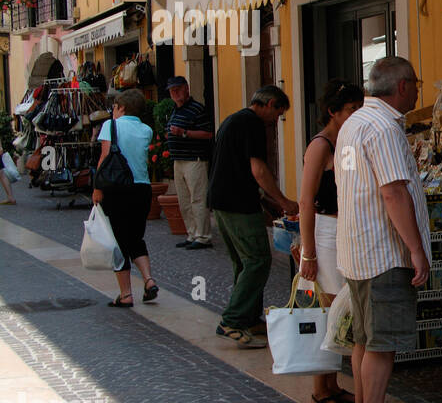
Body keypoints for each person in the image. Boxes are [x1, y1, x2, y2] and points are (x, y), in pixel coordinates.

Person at [337, 57, 429, 403]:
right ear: (403, 86)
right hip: (382, 253)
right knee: (381, 344)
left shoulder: (354, 123)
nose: (418, 91)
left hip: (358, 250)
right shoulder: (383, 128)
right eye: (417, 84)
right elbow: (392, 192)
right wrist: (415, 249)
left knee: (365, 339)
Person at [209, 85, 297, 348]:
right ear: (270, 104)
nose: (276, 122)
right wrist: (284, 201)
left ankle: (248, 318)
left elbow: (234, 167)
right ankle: (233, 321)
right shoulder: (253, 124)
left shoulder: (232, 120)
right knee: (257, 260)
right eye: (278, 114)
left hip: (222, 200)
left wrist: (267, 203)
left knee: (244, 263)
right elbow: (258, 170)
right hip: (237, 203)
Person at [297, 79, 364, 403]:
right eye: (351, 109)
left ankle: (332, 384)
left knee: (341, 309)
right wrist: (307, 252)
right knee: (329, 310)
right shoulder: (320, 145)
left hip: (343, 230)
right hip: (325, 232)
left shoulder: (347, 141)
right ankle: (319, 391)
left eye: (358, 108)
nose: (356, 114)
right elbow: (306, 201)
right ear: (333, 112)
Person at [93, 89, 159, 308]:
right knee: (135, 238)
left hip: (116, 189)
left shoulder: (110, 126)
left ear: (121, 107)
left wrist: (97, 187)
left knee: (118, 241)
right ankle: (148, 280)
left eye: (115, 106)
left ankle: (126, 294)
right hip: (142, 188)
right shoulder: (146, 129)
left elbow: (104, 158)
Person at [164, 76, 215, 249]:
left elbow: (208, 134)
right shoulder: (175, 109)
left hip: (195, 159)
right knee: (184, 200)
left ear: (186, 88)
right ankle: (192, 233)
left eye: (178, 89)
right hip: (179, 160)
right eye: (172, 91)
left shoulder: (197, 109)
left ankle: (203, 236)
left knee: (198, 198)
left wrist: (184, 133)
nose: (175, 93)